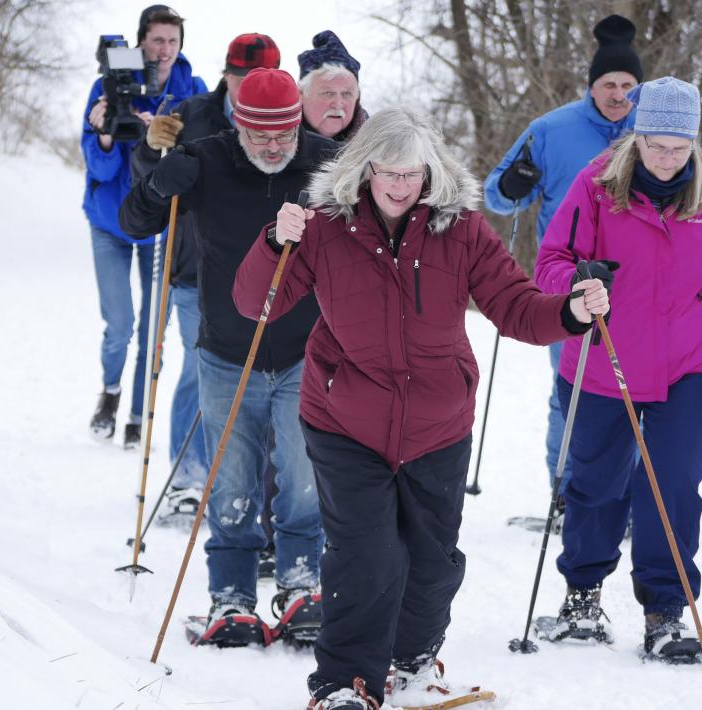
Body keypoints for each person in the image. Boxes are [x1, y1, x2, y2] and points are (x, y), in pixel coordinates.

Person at [233, 108, 610, 710]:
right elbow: (259, 303)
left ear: (429, 172)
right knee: (367, 553)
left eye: (413, 173)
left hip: (438, 422)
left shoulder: (459, 231)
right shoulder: (325, 227)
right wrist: (275, 241)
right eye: (389, 171)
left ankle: (410, 663)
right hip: (344, 417)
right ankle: (343, 682)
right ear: (365, 168)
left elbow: (514, 305)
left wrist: (571, 314)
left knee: (432, 561)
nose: (400, 185)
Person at [532, 77, 702, 664]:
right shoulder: (596, 186)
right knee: (594, 486)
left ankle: (666, 612)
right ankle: (582, 598)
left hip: (686, 366)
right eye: (657, 146)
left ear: (693, 143)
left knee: (671, 489)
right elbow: (550, 261)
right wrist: (576, 282)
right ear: (637, 139)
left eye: (679, 148)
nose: (668, 159)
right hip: (601, 360)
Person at [120, 68, 338, 647]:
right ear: (239, 123)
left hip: (303, 351)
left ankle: (299, 583)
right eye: (261, 133)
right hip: (224, 351)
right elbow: (134, 222)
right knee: (232, 480)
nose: (274, 144)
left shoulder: (328, 164)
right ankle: (232, 594)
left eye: (284, 132)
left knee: (301, 477)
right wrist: (157, 183)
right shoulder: (206, 159)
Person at [484, 14, 642, 501]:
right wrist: (515, 185)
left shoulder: (658, 133)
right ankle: (565, 493)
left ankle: (634, 496)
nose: (619, 95)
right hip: (569, 280)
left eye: (628, 85)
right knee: (570, 390)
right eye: (608, 84)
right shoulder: (550, 130)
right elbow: (496, 196)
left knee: (638, 393)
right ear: (591, 86)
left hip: (640, 284)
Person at [132, 32, 282, 526]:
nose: (246, 88)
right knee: (201, 370)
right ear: (225, 74)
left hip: (267, 276)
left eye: (257, 79)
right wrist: (154, 150)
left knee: (260, 383)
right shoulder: (191, 114)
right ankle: (188, 478)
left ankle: (246, 481)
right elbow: (151, 179)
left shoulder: (285, 123)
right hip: (197, 270)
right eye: (239, 77)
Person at [82, 5, 206, 448]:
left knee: (154, 333)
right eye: (157, 41)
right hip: (110, 223)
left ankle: (137, 416)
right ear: (140, 42)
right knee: (121, 325)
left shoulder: (192, 90)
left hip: (163, 226)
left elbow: (204, 157)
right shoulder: (107, 85)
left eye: (173, 41)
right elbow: (95, 166)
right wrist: (106, 135)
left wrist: (164, 140)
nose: (165, 50)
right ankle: (110, 395)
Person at [298, 30, 368, 142]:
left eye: (347, 94)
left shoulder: (377, 150)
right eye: (328, 93)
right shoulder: (273, 146)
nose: (338, 104)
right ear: (301, 95)